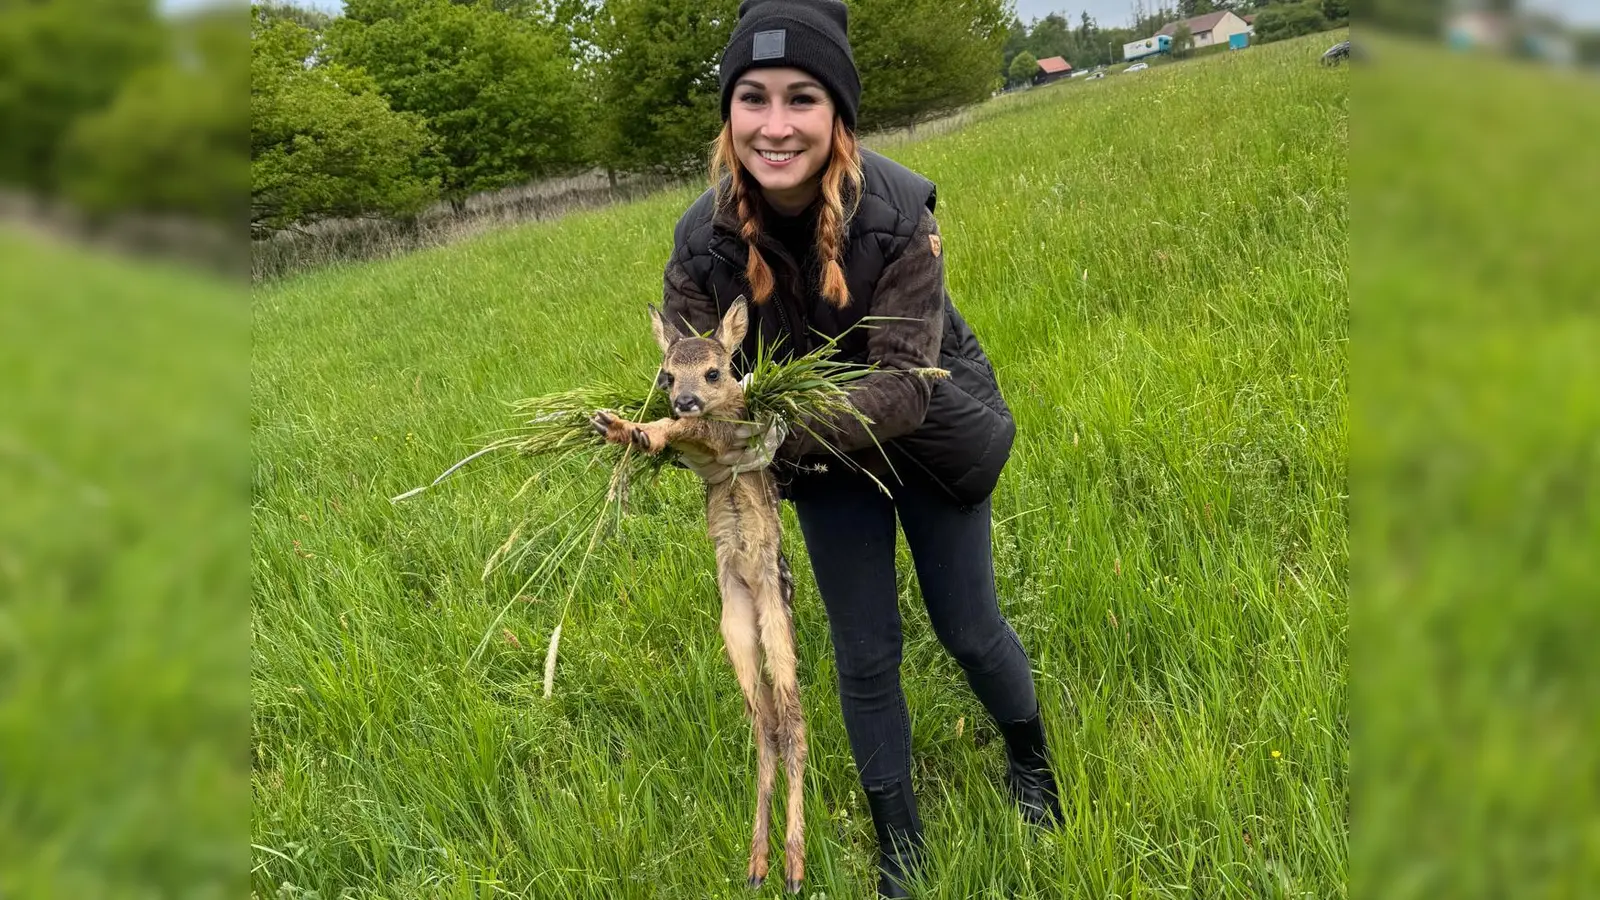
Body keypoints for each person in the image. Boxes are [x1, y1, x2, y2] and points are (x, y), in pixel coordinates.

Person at [659, 1, 1062, 895]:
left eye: (802, 97)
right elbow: (689, 374)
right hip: (818, 462)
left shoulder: (898, 210)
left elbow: (906, 385)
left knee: (968, 628)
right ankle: (900, 850)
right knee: (864, 650)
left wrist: (769, 427)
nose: (775, 125)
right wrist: (658, 425)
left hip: (928, 442)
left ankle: (1031, 761)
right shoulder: (701, 242)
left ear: (837, 111)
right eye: (752, 98)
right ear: (728, 113)